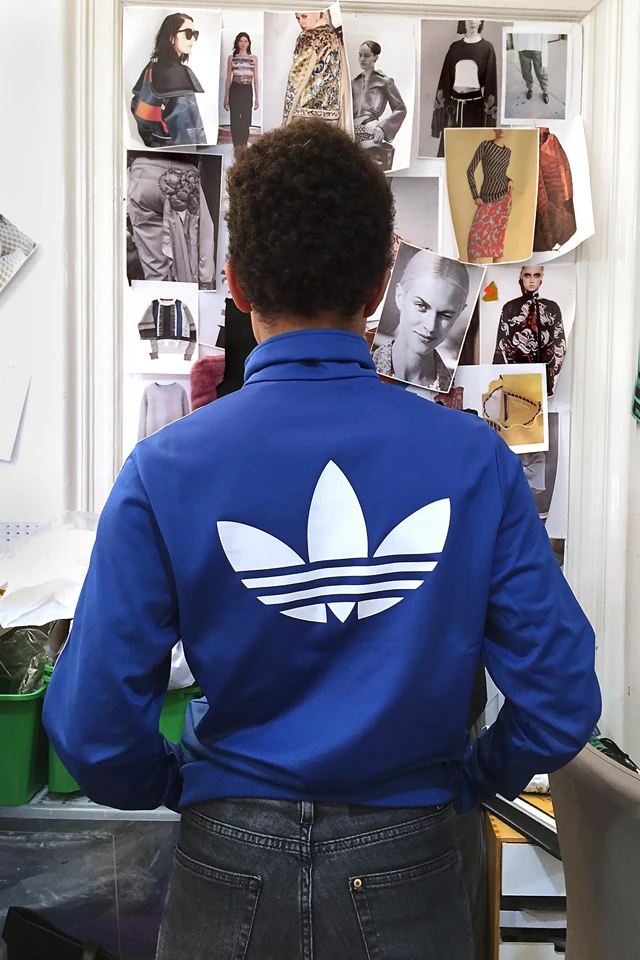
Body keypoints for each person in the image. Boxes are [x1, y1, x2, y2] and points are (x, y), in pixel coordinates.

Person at [44, 120, 600, 960]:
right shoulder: (473, 458)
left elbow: (92, 731)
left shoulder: (165, 468)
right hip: (411, 850)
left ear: (234, 281)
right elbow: (560, 697)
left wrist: (188, 784)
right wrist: (472, 776)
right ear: (380, 287)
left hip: (226, 853)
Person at [373, 249, 469, 392]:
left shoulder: (455, 391)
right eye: (421, 306)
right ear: (400, 296)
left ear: (459, 313)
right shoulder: (363, 367)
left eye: (445, 314)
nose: (431, 326)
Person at [127, 154, 215, 287]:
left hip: (143, 172)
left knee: (155, 270)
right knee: (188, 268)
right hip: (183, 174)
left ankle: (159, 296)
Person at [131, 13, 206, 147]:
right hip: (176, 153)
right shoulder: (178, 75)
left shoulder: (151, 67)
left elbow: (136, 106)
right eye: (188, 33)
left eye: (195, 34)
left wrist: (155, 138)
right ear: (171, 36)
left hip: (153, 147)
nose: (192, 40)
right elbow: (189, 133)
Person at [493, 265, 566, 396]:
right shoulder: (510, 308)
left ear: (541, 277)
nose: (531, 280)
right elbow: (501, 345)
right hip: (516, 378)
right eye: (527, 276)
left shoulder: (552, 308)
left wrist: (552, 373)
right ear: (521, 277)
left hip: (545, 377)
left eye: (536, 276)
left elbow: (560, 342)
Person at [431, 20, 498, 158]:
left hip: (475, 110)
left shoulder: (487, 48)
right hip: (453, 108)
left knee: (471, 155)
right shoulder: (455, 47)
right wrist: (440, 117)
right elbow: (445, 80)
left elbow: (491, 84)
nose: (472, 21)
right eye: (469, 18)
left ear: (481, 21)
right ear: (463, 21)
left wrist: (489, 122)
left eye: (476, 18)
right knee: (449, 155)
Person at [282, 10, 351, 130]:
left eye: (304, 16)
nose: (301, 22)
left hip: (305, 113)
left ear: (319, 13)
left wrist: (287, 117)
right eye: (298, 18)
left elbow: (296, 79)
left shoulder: (308, 37)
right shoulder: (334, 35)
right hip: (332, 114)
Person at [352, 41, 407, 171]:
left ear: (375, 57)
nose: (362, 59)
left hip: (371, 134)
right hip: (352, 133)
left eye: (367, 55)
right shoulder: (353, 83)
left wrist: (383, 128)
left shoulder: (384, 81)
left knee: (372, 172)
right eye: (360, 55)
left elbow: (400, 109)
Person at [466, 129, 513, 264]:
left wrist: (509, 180)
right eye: (499, 127)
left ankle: (496, 272)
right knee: (474, 239)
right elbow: (470, 170)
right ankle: (472, 272)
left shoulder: (508, 152)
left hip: (503, 200)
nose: (502, 130)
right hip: (486, 198)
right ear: (494, 128)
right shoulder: (485, 145)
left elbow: (500, 173)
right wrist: (475, 195)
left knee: (498, 240)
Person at [534, 128, 576, 252]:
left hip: (556, 190)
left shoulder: (552, 140)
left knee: (557, 217)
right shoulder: (533, 144)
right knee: (545, 219)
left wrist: (568, 196)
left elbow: (563, 167)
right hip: (543, 190)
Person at [223, 32, 259, 154]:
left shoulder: (253, 59)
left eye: (245, 41)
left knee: (246, 119)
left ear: (249, 43)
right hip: (235, 89)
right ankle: (236, 146)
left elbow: (255, 79)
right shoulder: (232, 58)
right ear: (237, 43)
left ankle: (243, 145)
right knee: (235, 119)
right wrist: (226, 97)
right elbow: (228, 78)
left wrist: (257, 98)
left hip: (247, 89)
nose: (243, 44)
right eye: (241, 41)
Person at [512, 33, 550, 105]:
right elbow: (515, 33)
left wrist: (544, 55)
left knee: (540, 72)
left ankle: (545, 91)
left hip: (537, 46)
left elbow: (544, 34)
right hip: (522, 47)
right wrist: (516, 52)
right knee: (525, 72)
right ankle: (530, 88)